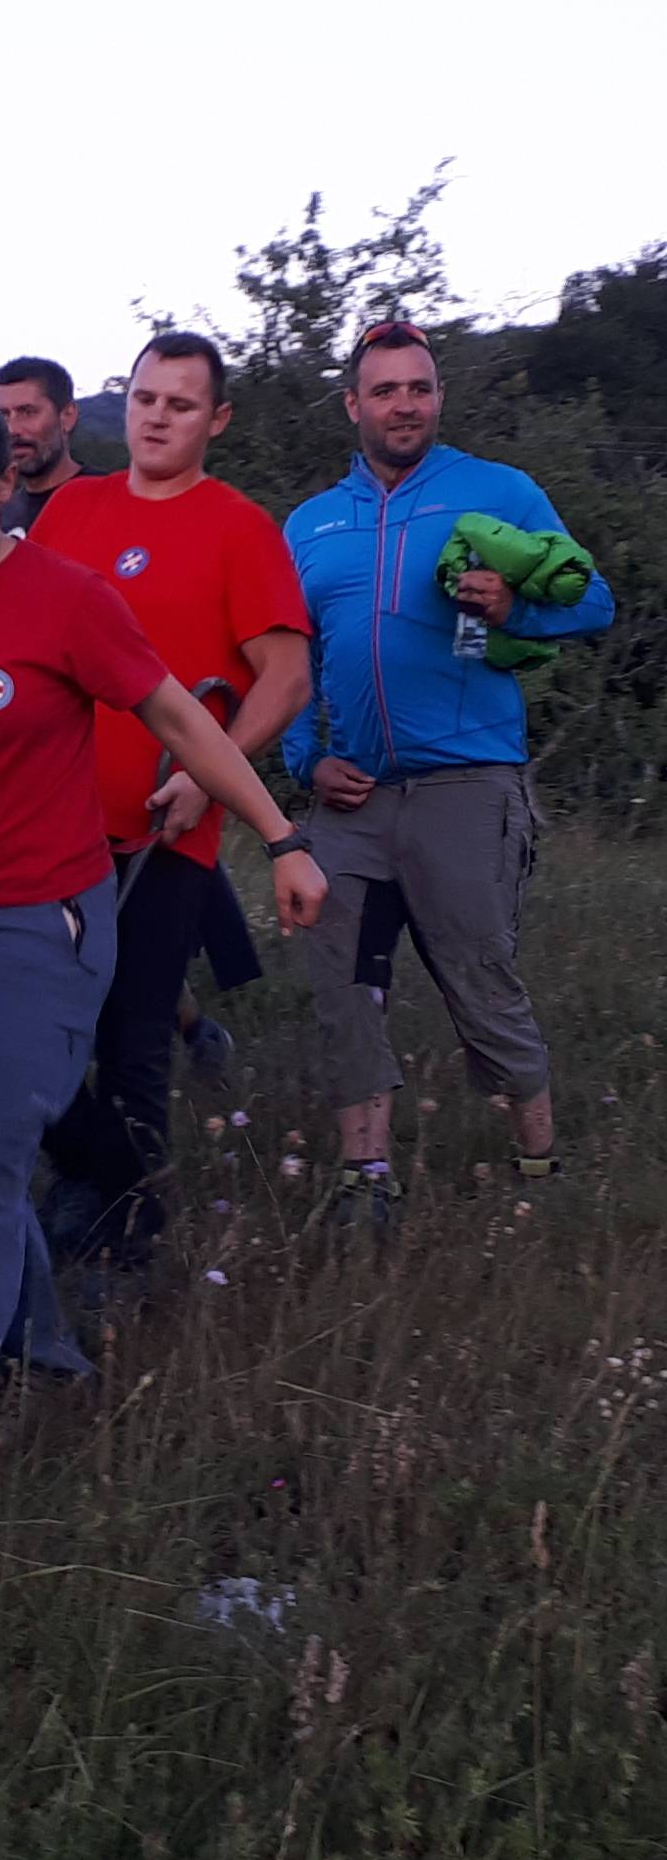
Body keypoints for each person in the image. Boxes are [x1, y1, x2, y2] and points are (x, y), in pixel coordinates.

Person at [0, 384, 325, 1481]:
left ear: (7, 482)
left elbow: (182, 719)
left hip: (39, 919)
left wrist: (280, 835)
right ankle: (46, 1354)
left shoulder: (67, 598)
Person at [283, 319, 614, 1216]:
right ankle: (367, 1181)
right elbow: (288, 663)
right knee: (343, 981)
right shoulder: (311, 524)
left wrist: (513, 609)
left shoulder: (497, 491)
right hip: (351, 797)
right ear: (353, 404)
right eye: (384, 390)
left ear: (439, 398)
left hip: (468, 785)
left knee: (480, 980)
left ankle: (538, 1163)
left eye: (419, 388)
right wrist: (305, 759)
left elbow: (593, 600)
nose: (404, 404)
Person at [34, 331, 312, 1260]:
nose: (158, 416)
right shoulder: (72, 510)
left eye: (181, 404)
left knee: (134, 1034)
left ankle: (127, 1236)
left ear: (216, 419)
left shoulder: (239, 527)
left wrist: (209, 771)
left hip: (166, 831)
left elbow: (285, 677)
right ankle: (87, 1183)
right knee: (33, 1029)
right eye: (147, 398)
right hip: (47, 823)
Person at [0, 354, 85, 533]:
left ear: (67, 416)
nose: (12, 429)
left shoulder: (109, 500)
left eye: (27, 412)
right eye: (4, 415)